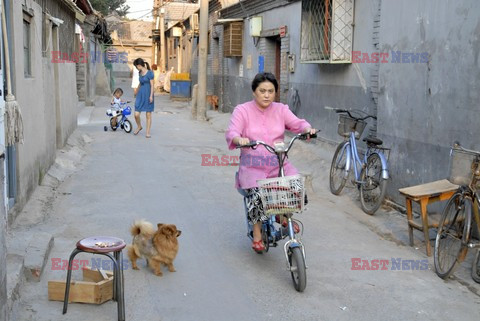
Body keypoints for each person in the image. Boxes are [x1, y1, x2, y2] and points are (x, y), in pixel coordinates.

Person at [225, 72, 316, 253]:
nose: (266, 95)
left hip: (278, 162)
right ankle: (257, 233)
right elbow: (232, 131)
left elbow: (297, 123)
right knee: (257, 193)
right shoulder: (242, 110)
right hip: (253, 164)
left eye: (271, 91)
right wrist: (238, 139)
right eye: (262, 91)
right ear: (254, 92)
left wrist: (307, 129)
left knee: (296, 185)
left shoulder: (281, 109)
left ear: (275, 93)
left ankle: (282, 216)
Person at [132, 58, 154, 138]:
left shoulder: (150, 73)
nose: (136, 68)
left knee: (148, 114)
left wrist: (151, 96)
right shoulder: (140, 73)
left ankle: (147, 132)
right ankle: (139, 126)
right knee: (136, 114)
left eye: (136, 66)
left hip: (148, 94)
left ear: (139, 65)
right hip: (140, 95)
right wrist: (136, 91)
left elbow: (152, 85)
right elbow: (140, 83)